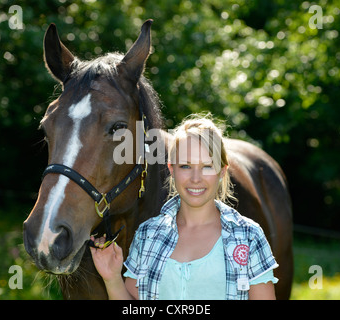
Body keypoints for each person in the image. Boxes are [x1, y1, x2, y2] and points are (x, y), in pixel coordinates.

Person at [90, 113, 278, 300]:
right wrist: (112, 278)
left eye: (207, 166)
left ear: (222, 171)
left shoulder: (248, 236)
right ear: (172, 169)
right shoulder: (148, 234)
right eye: (186, 166)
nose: (196, 179)